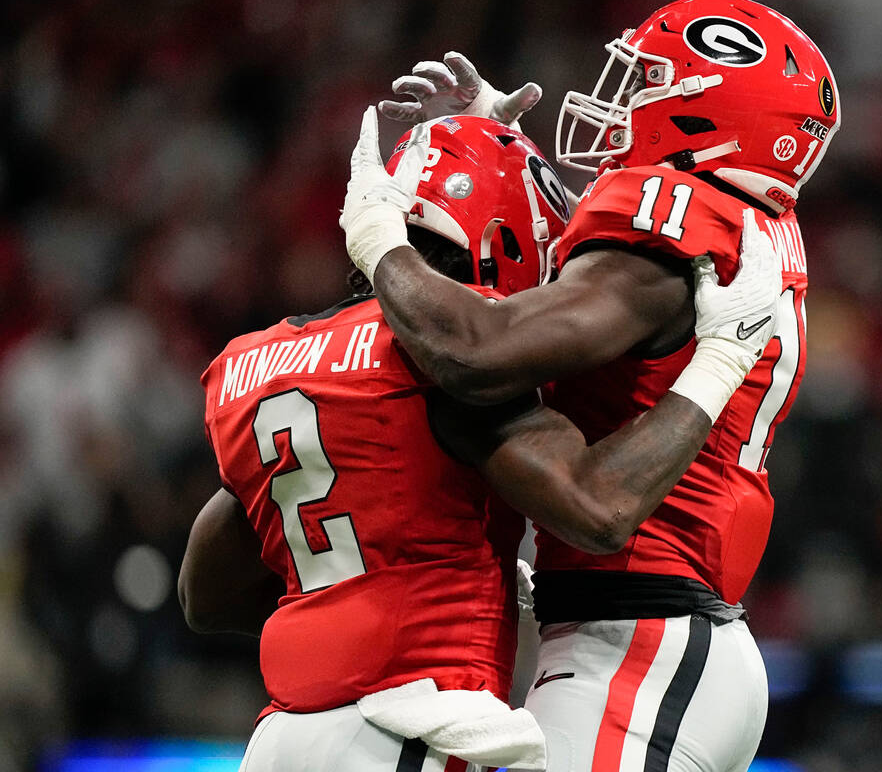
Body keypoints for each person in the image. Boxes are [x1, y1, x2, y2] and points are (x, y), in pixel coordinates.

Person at [180, 114, 781, 772]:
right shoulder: (438, 367)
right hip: (408, 728)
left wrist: (338, 618)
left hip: (280, 739)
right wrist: (720, 362)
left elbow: (203, 593)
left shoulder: (263, 360)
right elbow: (599, 507)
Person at [341, 0, 839, 771]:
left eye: (647, 81)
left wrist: (383, 233)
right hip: (663, 640)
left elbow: (476, 350)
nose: (621, 99)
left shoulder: (672, 214)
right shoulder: (735, 224)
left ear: (713, 114)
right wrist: (492, 149)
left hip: (637, 645)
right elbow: (607, 308)